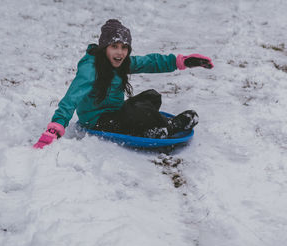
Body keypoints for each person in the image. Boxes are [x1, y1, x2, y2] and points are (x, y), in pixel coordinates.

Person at [34, 19, 213, 149]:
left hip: (117, 112)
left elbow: (150, 62)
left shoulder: (121, 63)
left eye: (124, 47)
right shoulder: (91, 68)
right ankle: (168, 126)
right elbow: (72, 97)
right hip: (96, 121)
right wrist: (55, 127)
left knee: (151, 96)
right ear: (105, 48)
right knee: (136, 112)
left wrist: (182, 62)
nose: (120, 52)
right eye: (115, 46)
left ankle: (155, 128)